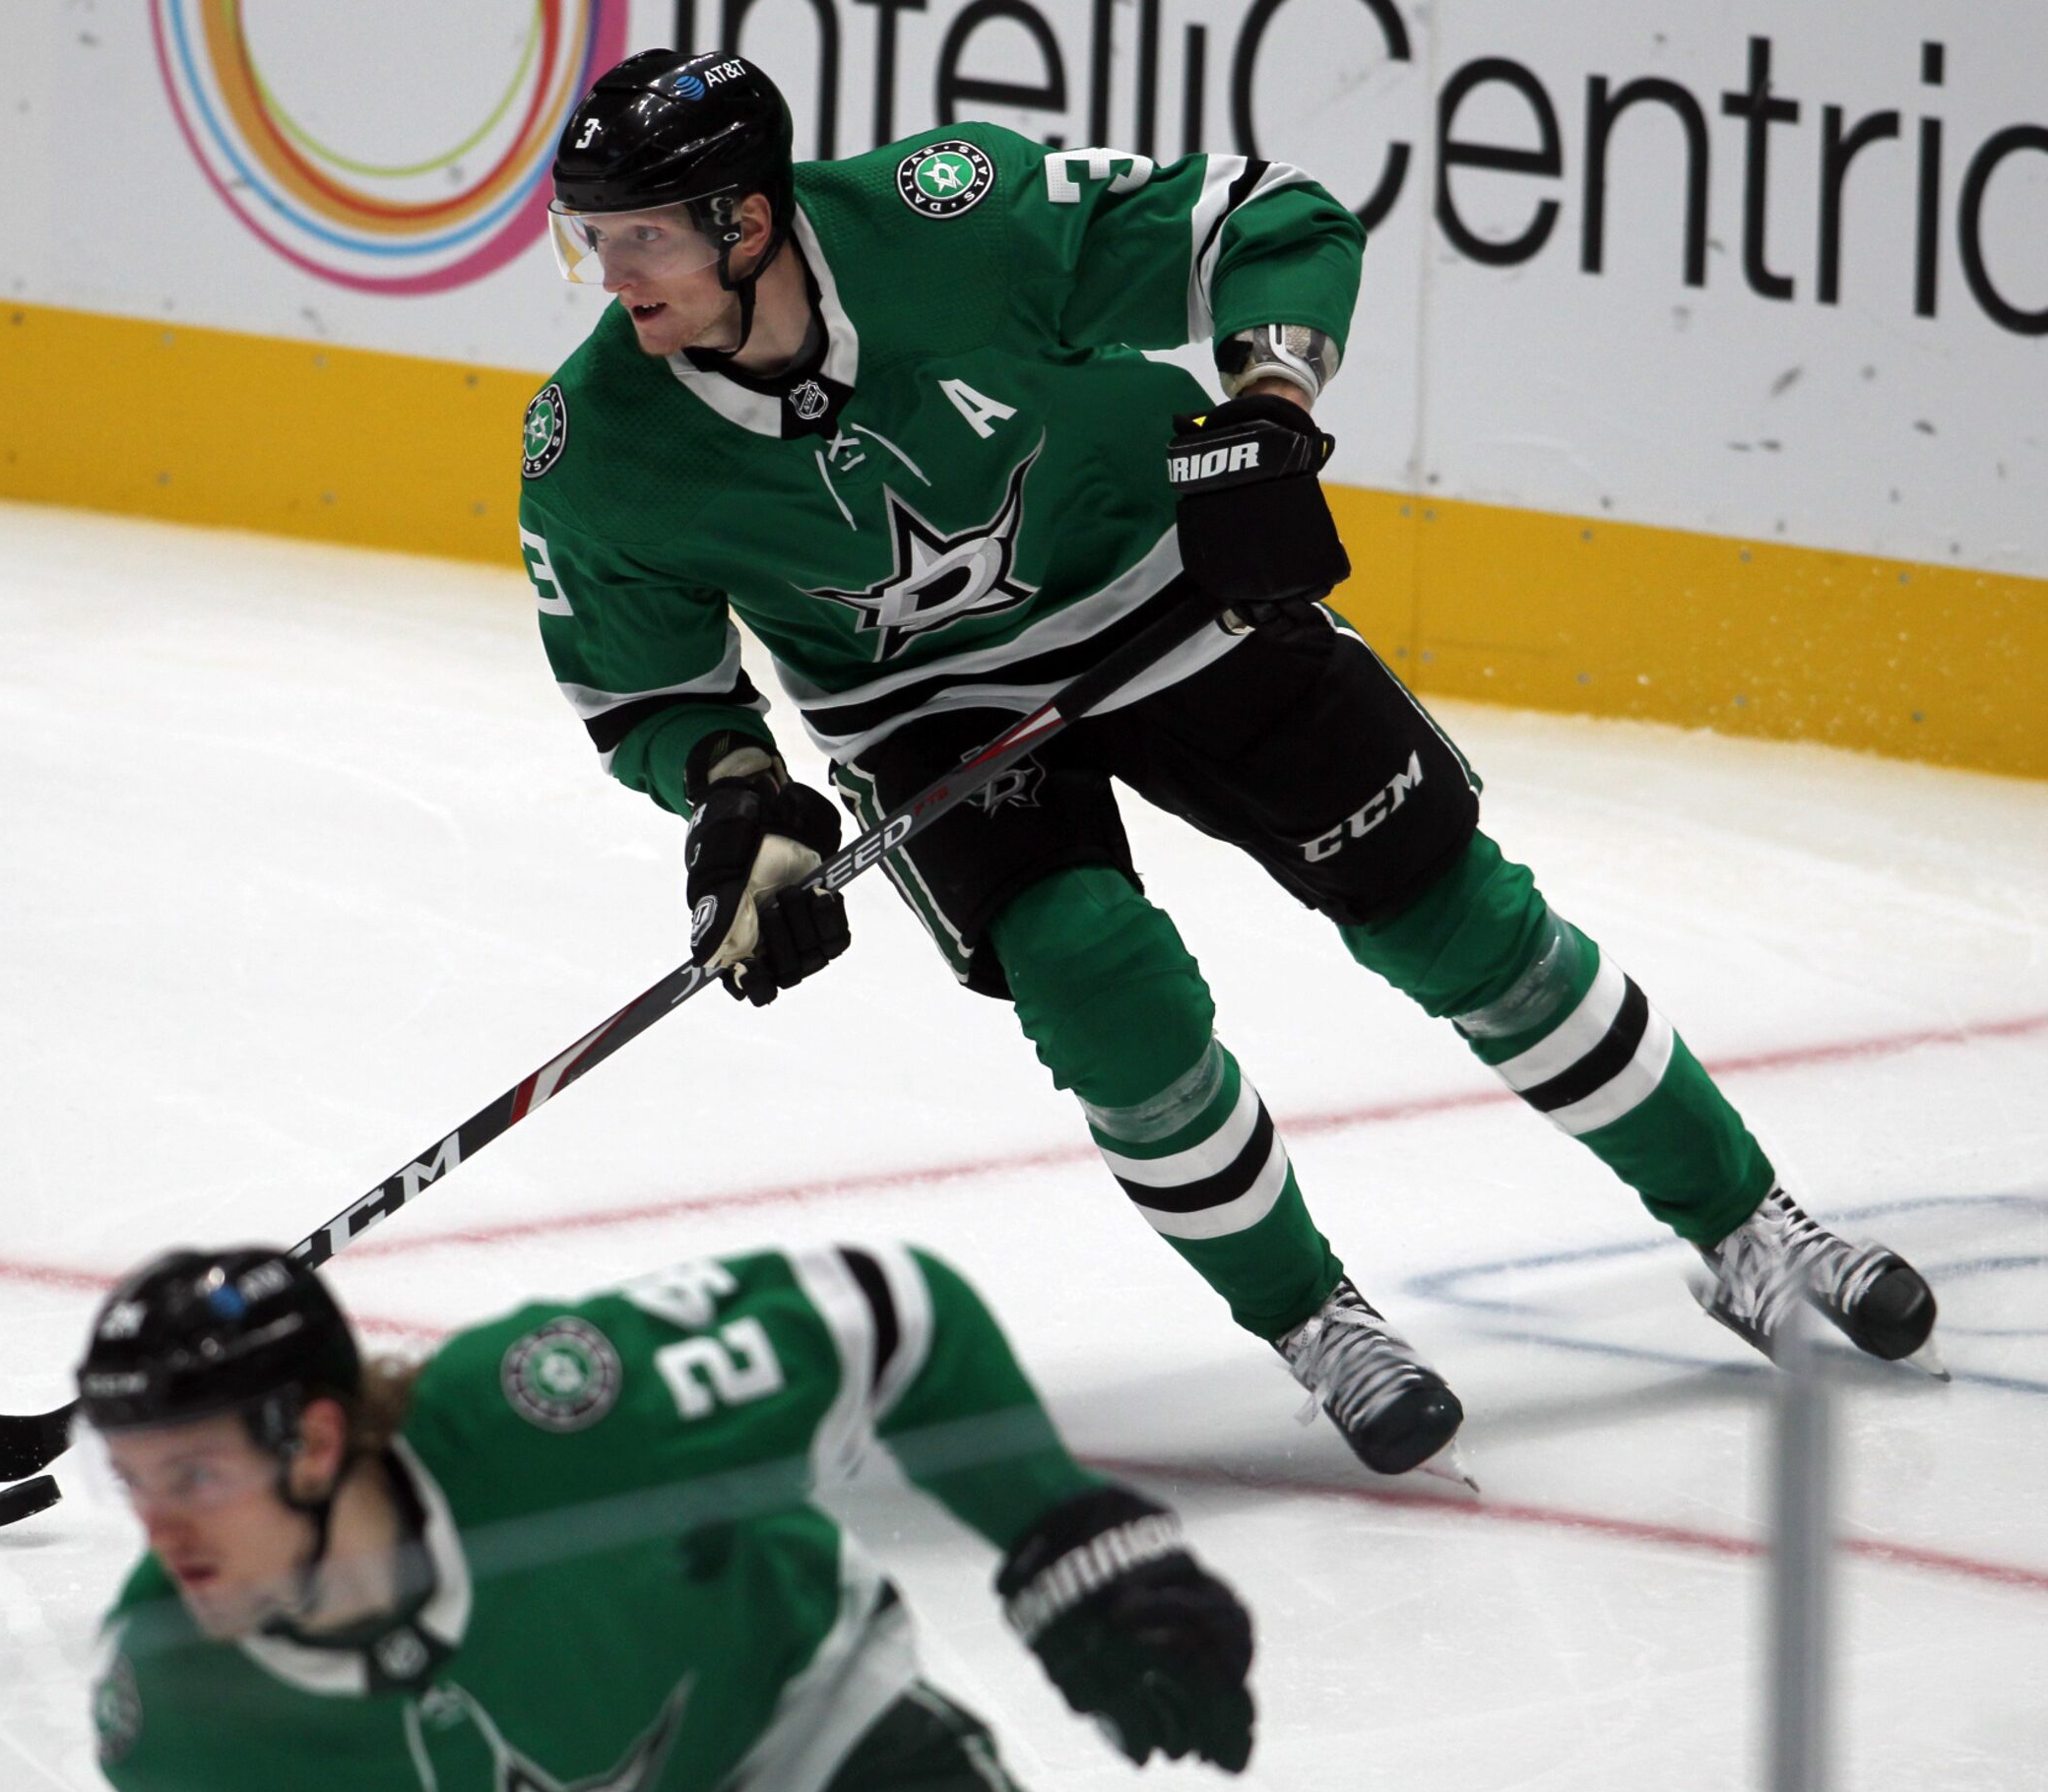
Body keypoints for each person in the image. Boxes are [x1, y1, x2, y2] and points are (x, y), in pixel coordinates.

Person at [515, 50, 1946, 1481]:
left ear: (747, 222)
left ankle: (1751, 1228)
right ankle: (1317, 1320)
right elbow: (652, 682)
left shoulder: (951, 218)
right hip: (917, 707)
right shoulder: (593, 445)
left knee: (1450, 915)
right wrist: (739, 801)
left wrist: (1267, 402)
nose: (612, 271)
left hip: (1172, 595)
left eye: (640, 235)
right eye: (594, 236)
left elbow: (1275, 221)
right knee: (1096, 975)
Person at [82, 1244, 1254, 1792]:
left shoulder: (554, 1412)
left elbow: (889, 1310)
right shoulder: (173, 1718)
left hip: (799, 1752)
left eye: (195, 1475)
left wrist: (1061, 1531)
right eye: (130, 1481)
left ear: (315, 1440)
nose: (161, 1527)